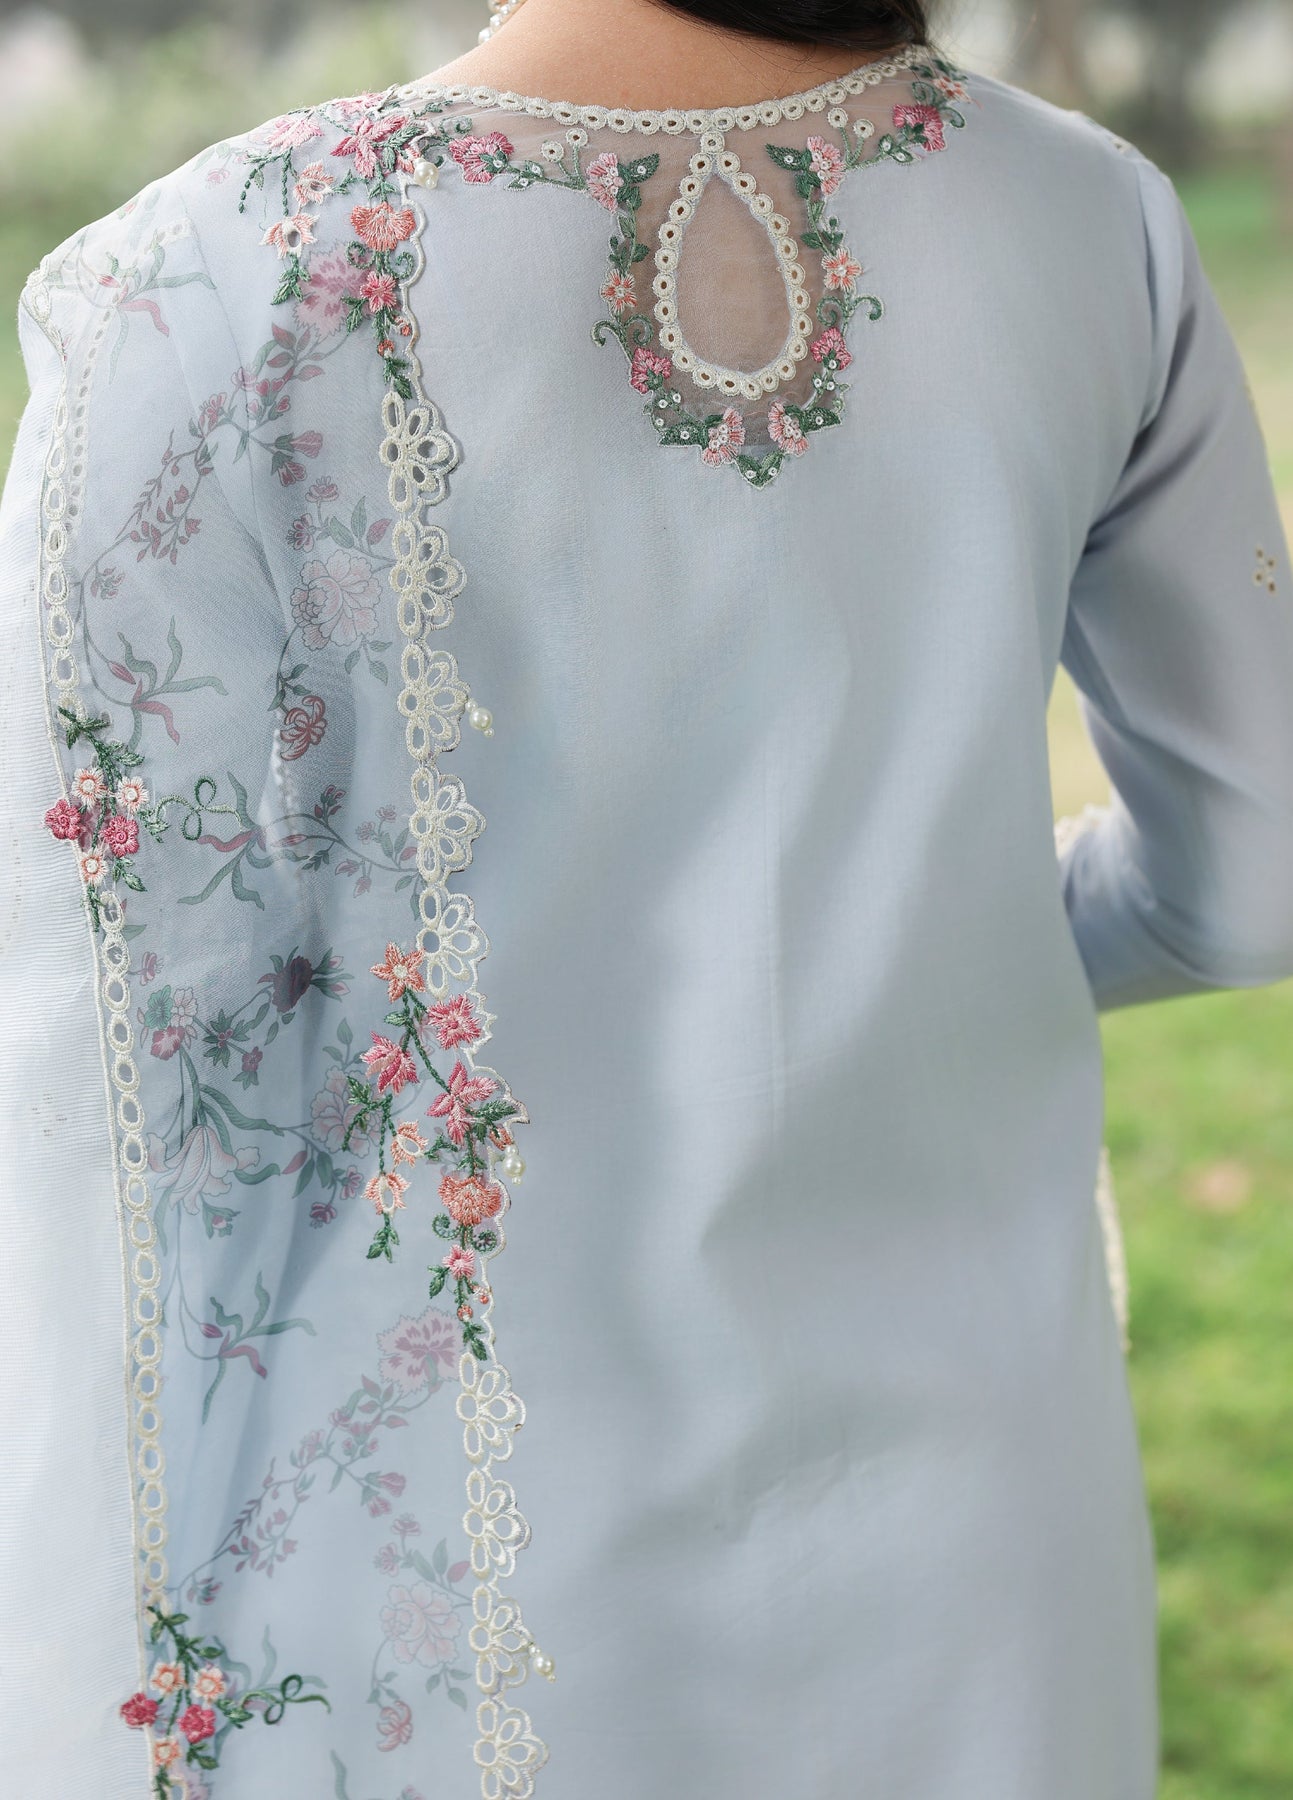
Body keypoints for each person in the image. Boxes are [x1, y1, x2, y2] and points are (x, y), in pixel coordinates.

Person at [1, 0, 1291, 1795]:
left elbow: (108, 1101)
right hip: (985, 1559)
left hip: (449, 1595)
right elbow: (1253, 883)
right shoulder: (1096, 225)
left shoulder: (205, 280)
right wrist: (947, 945)